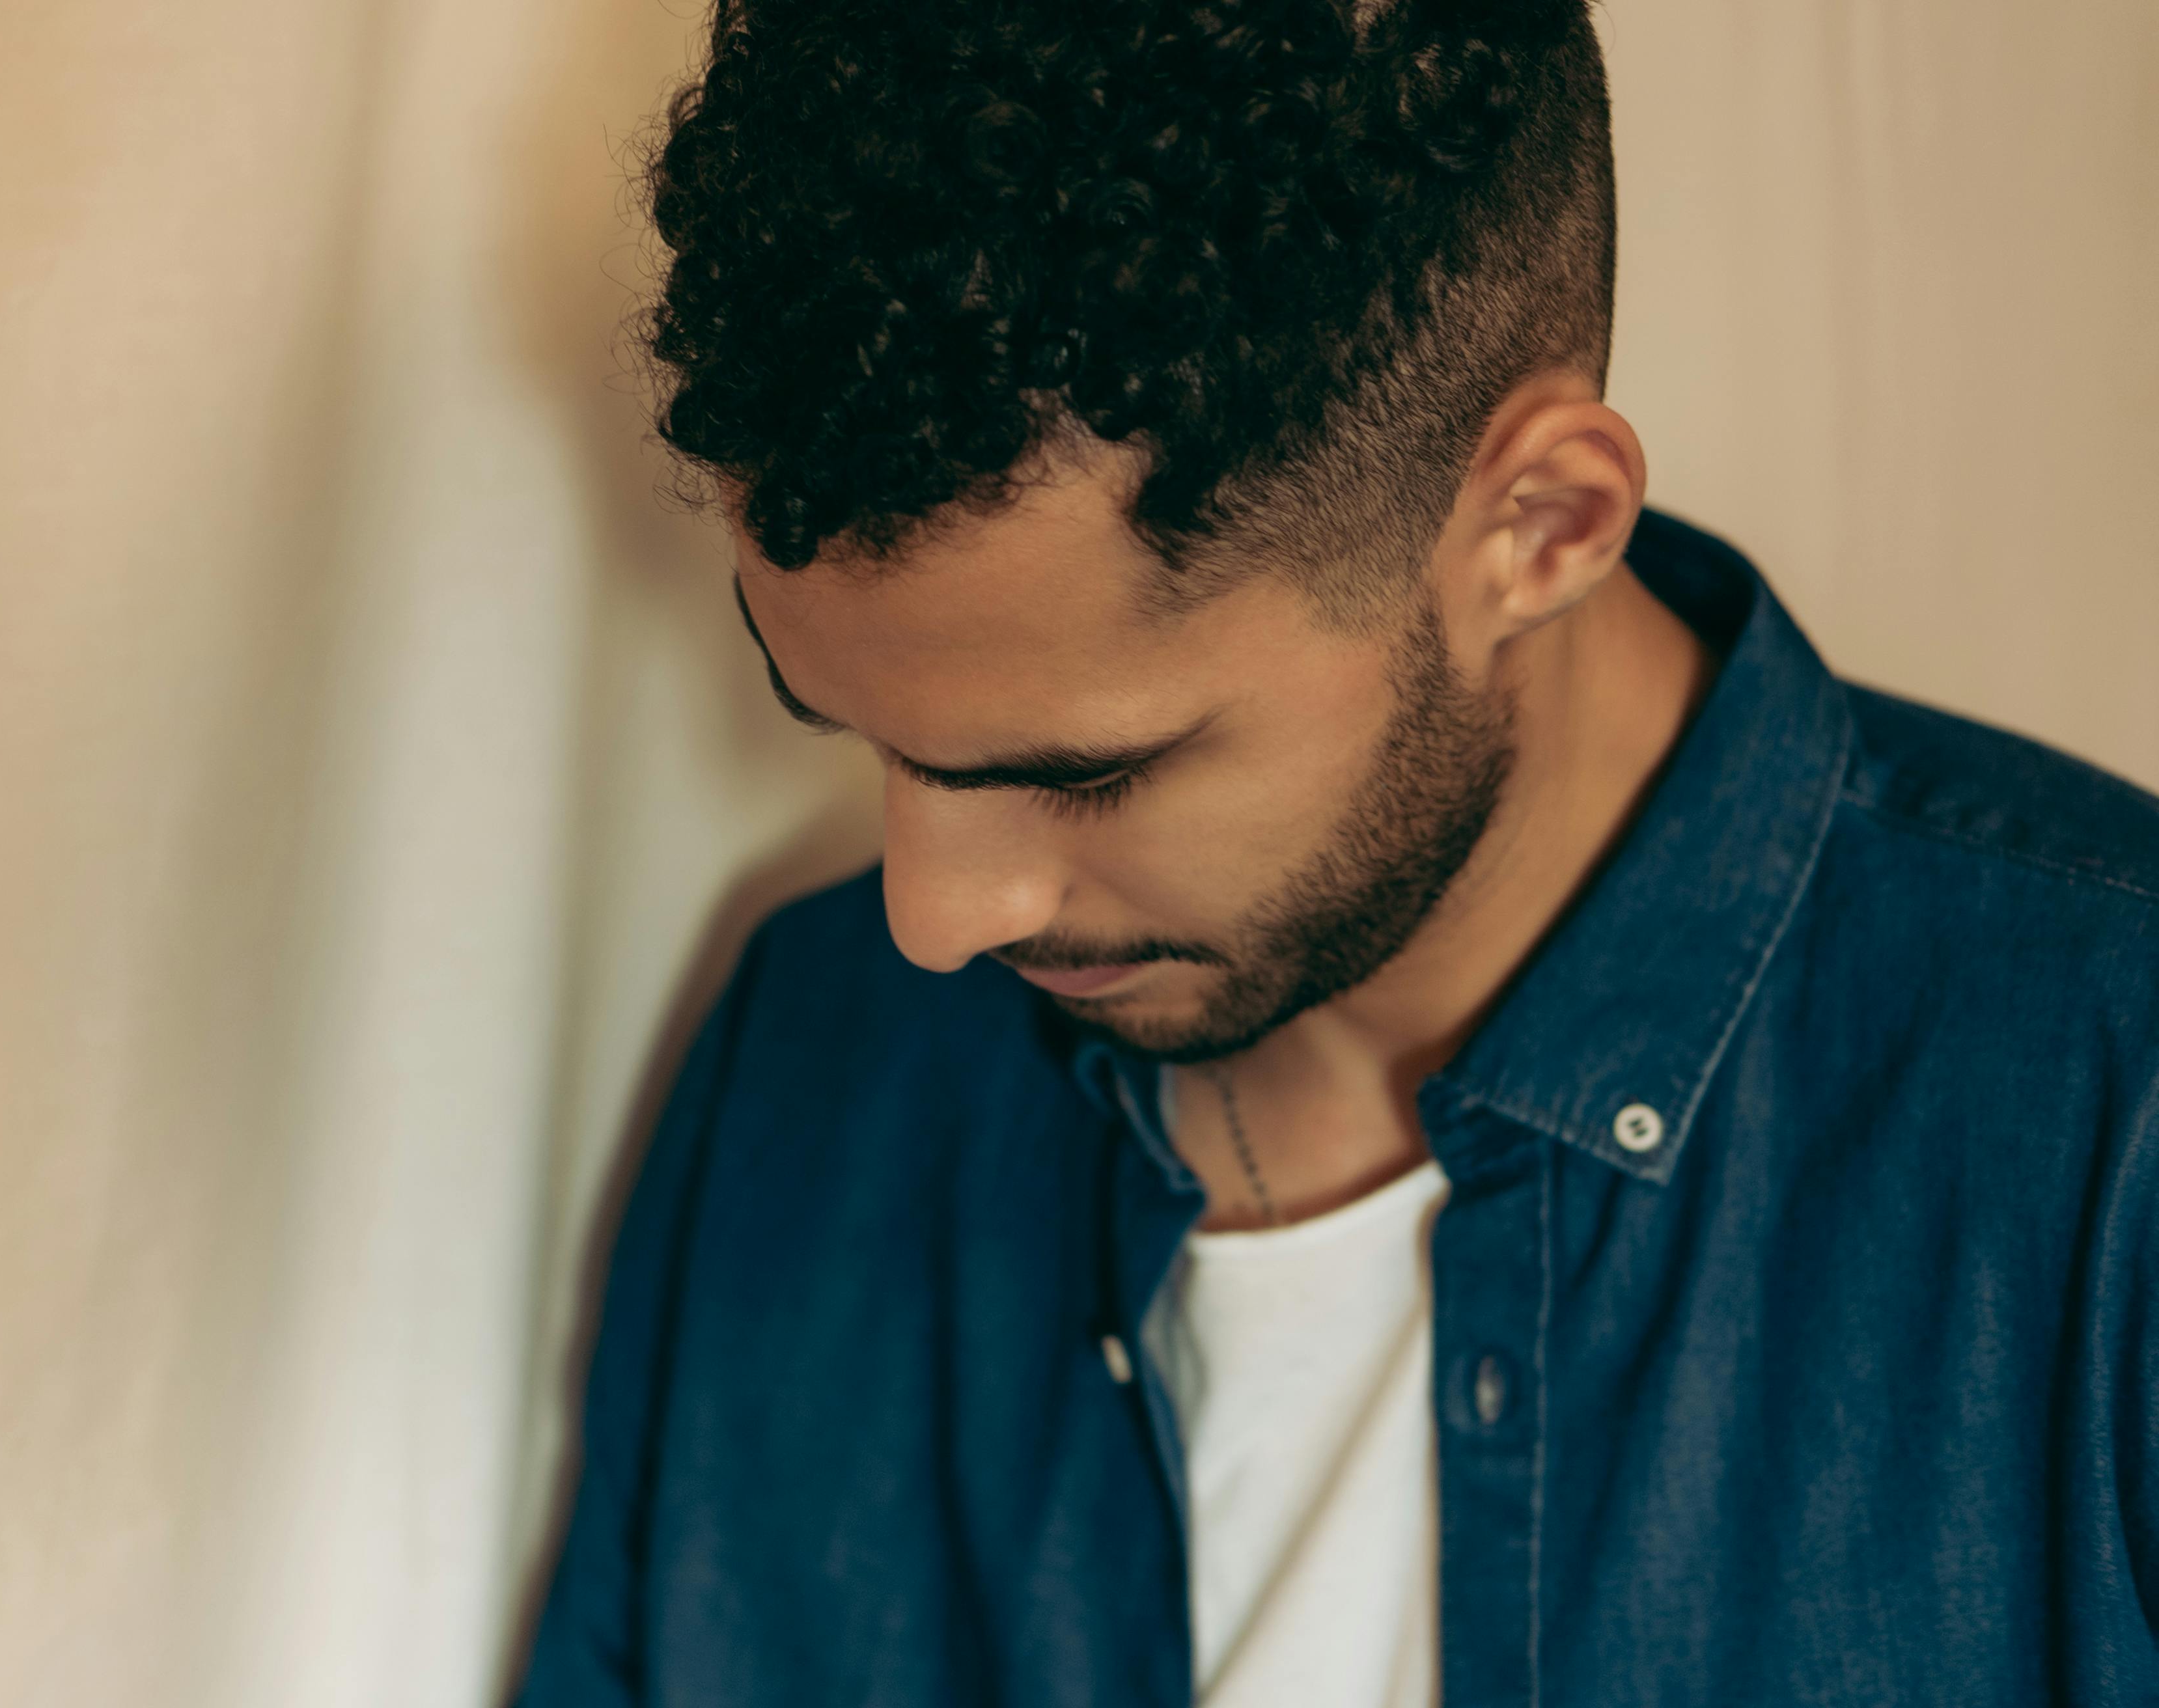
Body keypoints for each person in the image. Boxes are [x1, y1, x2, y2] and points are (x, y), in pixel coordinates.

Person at [514, 1, 2159, 1702]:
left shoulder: (2112, 1122)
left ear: (1539, 528)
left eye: (1090, 773)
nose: (935, 916)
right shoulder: (820, 1058)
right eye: (849, 731)